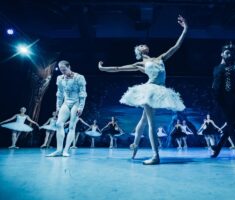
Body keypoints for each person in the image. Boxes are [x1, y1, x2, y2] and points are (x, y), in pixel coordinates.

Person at [98, 15, 187, 165]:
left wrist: (185, 28)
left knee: (144, 120)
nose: (142, 44)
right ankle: (155, 156)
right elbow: (119, 68)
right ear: (139, 52)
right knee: (151, 122)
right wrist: (102, 68)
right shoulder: (141, 64)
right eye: (139, 46)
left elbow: (176, 46)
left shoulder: (160, 58)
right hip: (150, 90)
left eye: (143, 44)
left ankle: (135, 146)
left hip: (160, 90)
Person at [211, 43, 235, 161]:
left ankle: (217, 148)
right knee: (231, 126)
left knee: (232, 125)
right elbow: (216, 86)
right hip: (224, 100)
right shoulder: (218, 68)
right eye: (226, 52)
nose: (229, 54)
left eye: (230, 53)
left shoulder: (234, 67)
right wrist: (218, 100)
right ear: (221, 54)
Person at [47, 60, 87, 157]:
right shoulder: (60, 78)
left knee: (72, 126)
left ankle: (66, 150)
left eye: (64, 69)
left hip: (76, 102)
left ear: (69, 67)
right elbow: (59, 94)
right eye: (61, 70)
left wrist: (81, 107)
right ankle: (58, 150)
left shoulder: (79, 77)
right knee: (59, 124)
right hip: (66, 102)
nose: (62, 71)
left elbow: (82, 93)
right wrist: (58, 106)